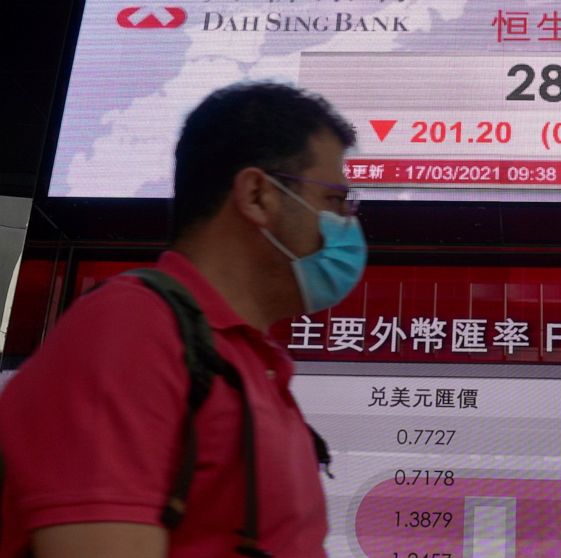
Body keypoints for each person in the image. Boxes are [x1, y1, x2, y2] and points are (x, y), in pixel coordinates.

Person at [0, 82, 365, 557]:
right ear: (258, 195)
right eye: (336, 200)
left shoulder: (246, 360)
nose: (350, 222)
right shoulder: (133, 330)